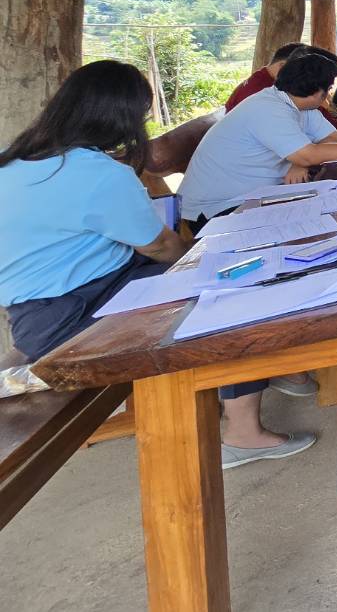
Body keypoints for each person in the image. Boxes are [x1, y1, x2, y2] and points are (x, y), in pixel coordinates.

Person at [0, 61, 316, 468]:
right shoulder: (98, 173)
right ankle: (244, 433)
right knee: (232, 296)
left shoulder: (13, 161)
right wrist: (204, 257)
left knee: (227, 278)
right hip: (80, 314)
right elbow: (160, 245)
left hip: (33, 318)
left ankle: (274, 372)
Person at [179, 48, 337, 230]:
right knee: (319, 226)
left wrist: (300, 161)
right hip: (218, 208)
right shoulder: (269, 108)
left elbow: (334, 138)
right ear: (319, 91)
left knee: (334, 214)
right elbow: (309, 154)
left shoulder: (298, 102)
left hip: (259, 195)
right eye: (329, 88)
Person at [228, 42, 337, 143]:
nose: (326, 92)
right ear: (288, 67)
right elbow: (310, 148)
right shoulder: (266, 95)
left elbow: (329, 129)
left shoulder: (295, 95)